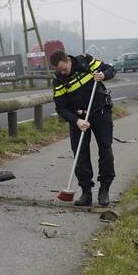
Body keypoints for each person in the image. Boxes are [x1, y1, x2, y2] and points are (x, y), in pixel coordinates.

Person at [51, 49, 116, 206]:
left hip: (100, 111)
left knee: (105, 150)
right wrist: (76, 121)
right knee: (80, 154)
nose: (63, 73)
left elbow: (110, 69)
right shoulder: (59, 80)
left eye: (64, 69)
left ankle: (104, 190)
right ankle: (86, 192)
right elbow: (61, 108)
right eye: (59, 70)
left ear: (68, 60)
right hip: (79, 119)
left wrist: (103, 75)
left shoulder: (85, 61)